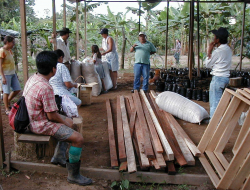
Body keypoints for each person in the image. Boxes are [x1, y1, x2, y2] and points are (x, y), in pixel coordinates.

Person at [23, 51, 92, 186]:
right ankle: (74, 175)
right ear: (53, 69)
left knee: (69, 121)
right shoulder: (46, 87)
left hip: (31, 117)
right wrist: (66, 122)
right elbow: (51, 116)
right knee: (78, 138)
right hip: (39, 123)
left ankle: (59, 157)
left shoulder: (33, 78)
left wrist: (66, 121)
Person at [205, 27, 232, 119]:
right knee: (219, 102)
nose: (213, 38)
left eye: (215, 37)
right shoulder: (228, 49)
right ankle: (216, 123)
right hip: (225, 78)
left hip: (218, 79)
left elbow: (207, 65)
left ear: (218, 39)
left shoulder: (218, 51)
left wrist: (209, 51)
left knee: (214, 104)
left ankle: (214, 126)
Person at [0, 36, 21, 115]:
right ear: (8, 42)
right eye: (12, 42)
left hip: (12, 73)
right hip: (6, 74)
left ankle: (7, 101)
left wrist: (15, 73)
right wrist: (2, 77)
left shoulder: (9, 50)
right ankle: (6, 109)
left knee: (17, 89)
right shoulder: (2, 51)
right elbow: (0, 65)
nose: (13, 44)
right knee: (6, 91)